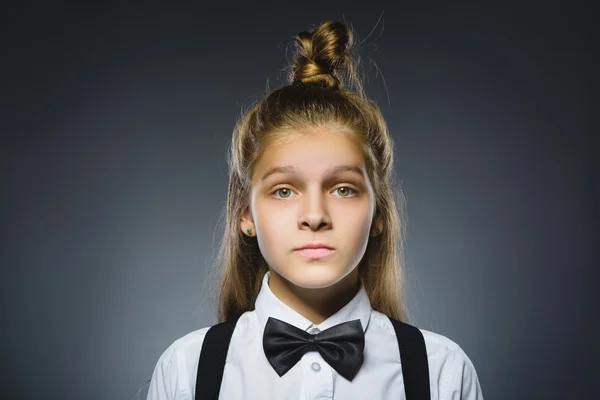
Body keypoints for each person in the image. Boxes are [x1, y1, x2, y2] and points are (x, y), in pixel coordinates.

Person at [146, 20, 483, 400]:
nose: (315, 216)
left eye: (343, 189)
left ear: (379, 214)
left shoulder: (442, 372)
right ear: (245, 215)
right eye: (284, 190)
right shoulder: (186, 371)